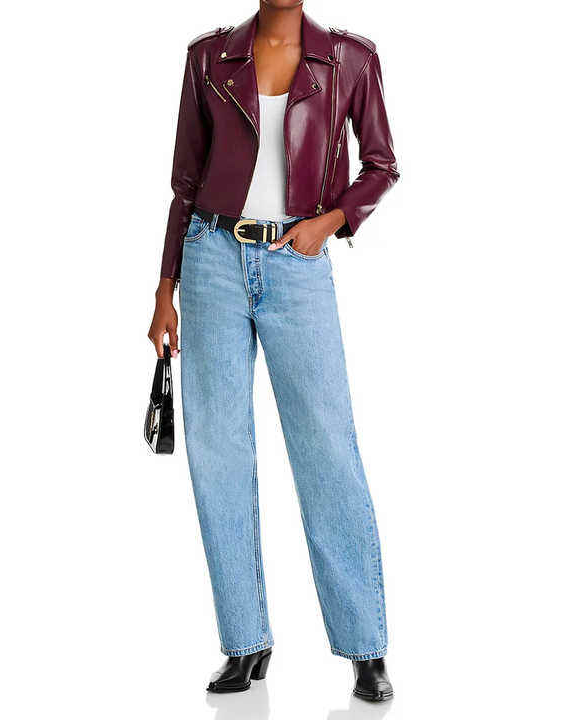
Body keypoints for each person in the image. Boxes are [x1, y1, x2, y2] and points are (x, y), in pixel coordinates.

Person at [148, 0, 398, 701]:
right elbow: (185, 184)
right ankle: (244, 642)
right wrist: (165, 288)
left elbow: (381, 165)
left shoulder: (350, 59)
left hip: (298, 262)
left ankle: (365, 648)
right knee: (217, 454)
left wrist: (331, 221)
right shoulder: (207, 58)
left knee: (327, 451)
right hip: (211, 260)